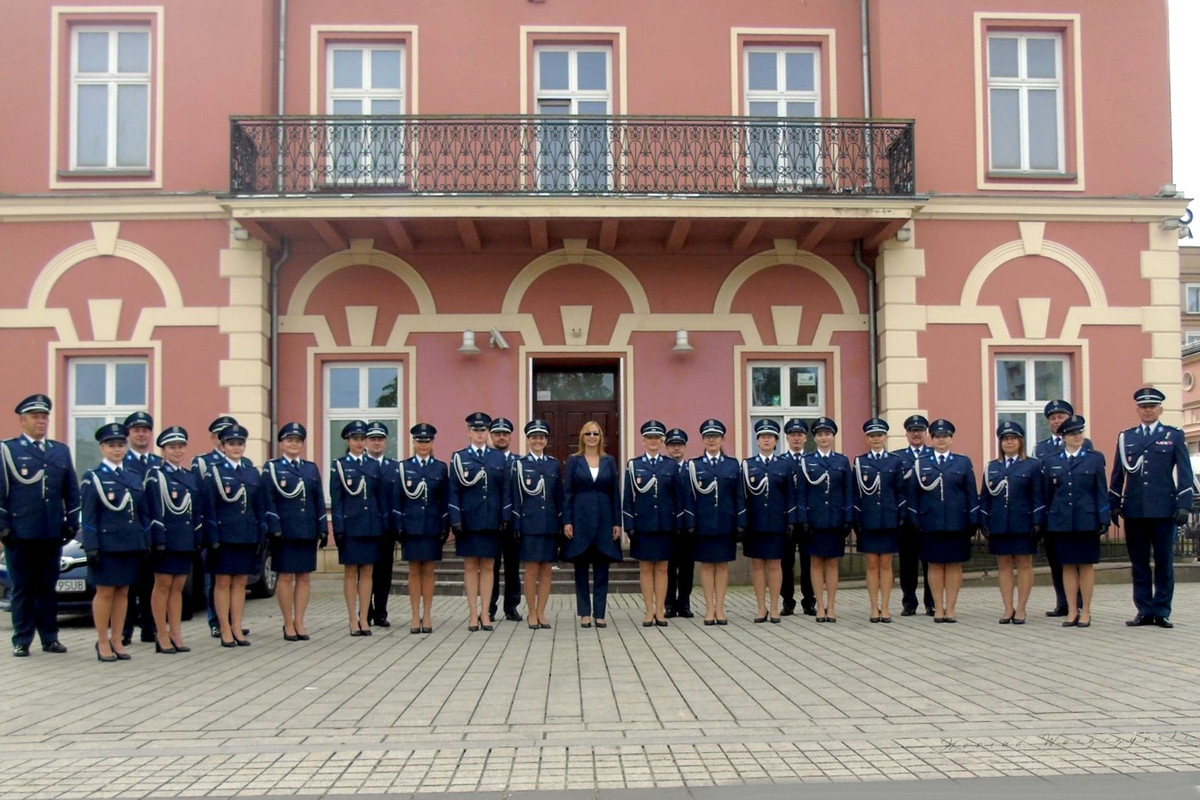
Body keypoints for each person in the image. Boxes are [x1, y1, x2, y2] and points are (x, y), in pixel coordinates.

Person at [0, 394, 78, 658]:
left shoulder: (59, 450)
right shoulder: (8, 450)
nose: (41, 421)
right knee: (22, 587)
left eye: (44, 417)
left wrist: (71, 521)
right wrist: (3, 526)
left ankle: (50, 637)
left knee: (47, 586)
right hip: (20, 533)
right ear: (22, 421)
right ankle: (22, 639)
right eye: (35, 417)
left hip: (50, 531)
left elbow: (71, 490)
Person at [1110, 387, 1194, 629]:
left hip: (1164, 509)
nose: (1147, 410)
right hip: (1135, 509)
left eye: (1152, 406)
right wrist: (1114, 503)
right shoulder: (1127, 437)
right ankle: (1144, 610)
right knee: (1139, 563)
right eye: (1143, 407)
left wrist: (1184, 505)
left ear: (1160, 409)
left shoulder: (1174, 435)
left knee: (1164, 562)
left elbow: (1185, 473)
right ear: (1137, 410)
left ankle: (1162, 611)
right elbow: (1118, 474)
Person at [80, 423, 149, 661]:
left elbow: (141, 513)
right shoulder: (94, 478)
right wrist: (91, 545)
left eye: (121, 445)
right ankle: (102, 641)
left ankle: (118, 639)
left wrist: (144, 540)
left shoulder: (132, 476)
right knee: (106, 593)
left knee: (123, 593)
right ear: (102, 448)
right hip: (106, 544)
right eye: (112, 445)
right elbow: (89, 516)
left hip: (129, 543)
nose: (117, 450)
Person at [910, 419, 979, 623]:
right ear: (931, 438)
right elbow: (913, 494)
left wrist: (973, 519)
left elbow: (971, 493)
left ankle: (951, 607)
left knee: (954, 566)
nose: (941, 440)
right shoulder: (921, 462)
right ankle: (938, 607)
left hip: (957, 522)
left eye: (945, 436)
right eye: (938, 436)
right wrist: (915, 518)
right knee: (935, 565)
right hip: (930, 522)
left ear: (951, 438)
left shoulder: (962, 462)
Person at [263, 422, 327, 642]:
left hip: (307, 530)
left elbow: (318, 499)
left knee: (304, 577)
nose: (294, 444)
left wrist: (322, 527)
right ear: (282, 443)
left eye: (298, 441)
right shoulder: (273, 468)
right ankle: (288, 622)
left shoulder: (310, 469)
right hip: (285, 531)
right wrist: (274, 528)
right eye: (290, 440)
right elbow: (269, 500)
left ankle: (300, 621)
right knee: (285, 577)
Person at [202, 424, 264, 647]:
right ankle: (224, 627)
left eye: (240, 444)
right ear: (223, 445)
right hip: (223, 537)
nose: (236, 448)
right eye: (231, 444)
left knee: (240, 583)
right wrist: (213, 537)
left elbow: (258, 506)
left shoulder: (250, 472)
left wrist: (260, 534)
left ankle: (237, 626)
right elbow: (209, 507)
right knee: (222, 582)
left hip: (246, 535)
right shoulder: (215, 472)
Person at [1044, 415, 1109, 628]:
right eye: (1073, 434)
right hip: (1062, 520)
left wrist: (1103, 517)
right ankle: (1072, 609)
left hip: (1086, 519)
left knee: (1086, 565)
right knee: (1068, 566)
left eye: (1080, 432)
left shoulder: (1094, 458)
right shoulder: (1052, 461)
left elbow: (1100, 491)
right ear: (1064, 437)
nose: (1078, 436)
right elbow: (1048, 494)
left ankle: (1086, 610)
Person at [449, 412, 510, 631]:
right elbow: (454, 491)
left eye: (483, 430)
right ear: (469, 432)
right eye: (476, 430)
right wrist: (455, 518)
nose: (480, 434)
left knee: (488, 567)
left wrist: (505, 515)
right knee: (470, 566)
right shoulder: (459, 457)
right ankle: (472, 614)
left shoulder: (498, 458)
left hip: (491, 520)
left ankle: (486, 613)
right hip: (468, 520)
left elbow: (505, 490)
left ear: (488, 433)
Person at [144, 425, 202, 653]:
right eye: (172, 447)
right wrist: (157, 539)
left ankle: (176, 632)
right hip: (165, 539)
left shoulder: (188, 476)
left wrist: (197, 537)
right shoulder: (156, 475)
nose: (177, 451)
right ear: (163, 450)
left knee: (178, 586)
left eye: (181, 447)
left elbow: (195, 510)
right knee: (163, 585)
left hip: (184, 538)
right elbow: (153, 509)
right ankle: (161, 633)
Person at [681, 419, 744, 626]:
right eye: (708, 437)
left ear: (722, 439)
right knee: (707, 567)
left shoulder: (732, 464)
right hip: (703, 523)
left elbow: (739, 496)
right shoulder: (694, 465)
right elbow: (688, 496)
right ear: (703, 440)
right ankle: (709, 609)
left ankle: (720, 608)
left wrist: (740, 521)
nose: (712, 440)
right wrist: (690, 521)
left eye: (715, 436)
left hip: (726, 522)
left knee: (722, 566)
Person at [980, 420, 1043, 625]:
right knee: (1004, 565)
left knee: (1025, 564)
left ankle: (1022, 608)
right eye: (1005, 439)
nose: (1009, 443)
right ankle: (1008, 608)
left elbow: (1038, 496)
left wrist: (1037, 521)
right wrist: (984, 520)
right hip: (999, 522)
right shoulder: (992, 467)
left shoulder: (1032, 465)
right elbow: (985, 498)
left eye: (1013, 439)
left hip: (1023, 522)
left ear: (1020, 441)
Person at [191, 415, 248, 638]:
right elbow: (200, 498)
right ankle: (216, 621)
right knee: (215, 580)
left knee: (235, 580)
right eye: (221, 435)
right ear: (216, 438)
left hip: (239, 532)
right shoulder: (203, 463)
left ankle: (234, 622)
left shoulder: (244, 464)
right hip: (214, 529)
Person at [563, 420, 622, 628]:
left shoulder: (609, 461)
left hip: (605, 519)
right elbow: (568, 492)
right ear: (582, 437)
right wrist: (567, 520)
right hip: (580, 519)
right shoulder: (574, 460)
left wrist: (617, 522)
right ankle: (584, 613)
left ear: (601, 437)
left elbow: (615, 492)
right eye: (588, 433)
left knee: (602, 569)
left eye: (595, 433)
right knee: (580, 568)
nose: (592, 437)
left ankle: (600, 613)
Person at [1034, 399, 1090, 617]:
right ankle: (1063, 602)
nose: (1057, 421)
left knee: (1078, 560)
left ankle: (1080, 603)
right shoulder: (1041, 448)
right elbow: (1039, 483)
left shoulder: (1084, 444)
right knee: (1056, 560)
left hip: (1078, 513)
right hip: (1052, 513)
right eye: (1053, 418)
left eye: (1061, 417)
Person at [623, 420, 681, 627]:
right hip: (643, 525)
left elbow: (679, 497)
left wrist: (679, 524)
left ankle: (660, 610)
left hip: (665, 524)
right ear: (643, 441)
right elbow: (628, 498)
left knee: (663, 568)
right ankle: (648, 611)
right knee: (646, 568)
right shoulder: (634, 465)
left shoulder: (671, 465)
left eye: (657, 438)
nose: (653, 441)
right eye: (650, 438)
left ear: (662, 441)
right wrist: (629, 524)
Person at [394, 423, 449, 634]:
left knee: (429, 571)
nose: (423, 445)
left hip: (432, 526)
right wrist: (399, 526)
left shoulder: (440, 468)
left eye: (427, 441)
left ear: (432, 443)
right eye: (419, 441)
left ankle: (427, 615)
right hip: (411, 526)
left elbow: (444, 500)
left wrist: (445, 525)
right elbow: (397, 500)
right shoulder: (403, 467)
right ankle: (415, 616)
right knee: (414, 571)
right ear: (414, 443)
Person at [330, 420, 384, 637]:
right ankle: (352, 618)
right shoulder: (340, 466)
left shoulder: (373, 465)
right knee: (351, 572)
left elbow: (378, 498)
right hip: (351, 526)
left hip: (371, 525)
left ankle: (364, 617)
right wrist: (339, 528)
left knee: (368, 571)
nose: (360, 443)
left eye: (363, 439)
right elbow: (337, 499)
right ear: (348, 441)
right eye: (355, 439)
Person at [796, 417, 852, 623]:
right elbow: (800, 493)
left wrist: (848, 518)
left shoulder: (842, 461)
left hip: (835, 519)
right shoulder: (806, 461)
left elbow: (848, 492)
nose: (824, 437)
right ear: (815, 438)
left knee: (832, 564)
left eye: (827, 434)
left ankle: (832, 605)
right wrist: (804, 518)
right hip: (815, 520)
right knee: (816, 563)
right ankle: (819, 605)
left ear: (833, 436)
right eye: (820, 434)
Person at [851, 417, 906, 623]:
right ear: (867, 438)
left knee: (887, 564)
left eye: (879, 435)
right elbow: (855, 493)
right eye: (872, 436)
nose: (876, 439)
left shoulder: (895, 461)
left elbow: (901, 491)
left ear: (885, 437)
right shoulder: (860, 462)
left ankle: (886, 607)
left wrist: (901, 515)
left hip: (889, 519)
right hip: (869, 519)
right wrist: (856, 517)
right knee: (872, 564)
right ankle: (874, 607)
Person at [510, 420, 562, 630]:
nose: (538, 440)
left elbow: (559, 495)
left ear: (546, 440)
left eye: (541, 437)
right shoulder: (520, 465)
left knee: (547, 570)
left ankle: (542, 612)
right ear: (528, 440)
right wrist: (516, 523)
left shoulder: (554, 464)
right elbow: (515, 496)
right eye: (534, 437)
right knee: (531, 570)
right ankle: (531, 612)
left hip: (549, 523)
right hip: (529, 524)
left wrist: (561, 521)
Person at [741, 419, 794, 624]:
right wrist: (743, 522)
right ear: (758, 441)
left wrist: (791, 520)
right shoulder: (748, 465)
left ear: (775, 441)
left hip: (776, 522)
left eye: (770, 437)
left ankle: (774, 608)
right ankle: (761, 607)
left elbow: (791, 495)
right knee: (757, 565)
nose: (766, 440)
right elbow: (743, 496)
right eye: (762, 437)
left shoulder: (784, 465)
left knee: (774, 564)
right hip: (755, 523)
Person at [120, 411, 163, 646]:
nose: (141, 434)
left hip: (152, 534)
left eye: (145, 430)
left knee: (150, 584)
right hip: (128, 532)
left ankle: (150, 628)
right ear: (129, 434)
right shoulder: (121, 462)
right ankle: (124, 630)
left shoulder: (158, 463)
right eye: (137, 430)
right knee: (127, 584)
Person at [892, 415, 934, 616]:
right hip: (906, 518)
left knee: (930, 561)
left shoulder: (935, 455)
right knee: (907, 563)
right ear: (906, 433)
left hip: (928, 517)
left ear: (926, 433)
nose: (916, 434)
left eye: (920, 430)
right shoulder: (898, 458)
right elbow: (895, 488)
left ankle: (931, 602)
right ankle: (909, 601)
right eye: (912, 430)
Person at [779, 419, 817, 617]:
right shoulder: (781, 462)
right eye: (792, 435)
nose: (796, 438)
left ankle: (809, 601)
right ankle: (787, 601)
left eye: (800, 435)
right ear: (787, 438)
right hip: (786, 520)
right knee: (786, 563)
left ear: (805, 438)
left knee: (808, 561)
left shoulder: (811, 461)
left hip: (808, 519)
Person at [488, 417, 523, 622]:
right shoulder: (486, 461)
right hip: (492, 522)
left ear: (510, 436)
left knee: (513, 566)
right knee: (490, 566)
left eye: (505, 434)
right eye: (497, 434)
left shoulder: (519, 462)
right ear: (492, 436)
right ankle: (489, 606)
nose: (501, 437)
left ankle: (511, 606)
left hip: (514, 523)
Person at [365, 421, 398, 628]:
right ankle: (365, 611)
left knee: (384, 572)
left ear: (385, 442)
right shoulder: (361, 466)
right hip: (366, 528)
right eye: (373, 439)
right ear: (367, 442)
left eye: (380, 439)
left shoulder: (394, 467)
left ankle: (381, 612)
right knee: (365, 571)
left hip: (387, 528)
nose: (376, 443)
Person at [663, 427, 695, 618]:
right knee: (668, 566)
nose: (676, 449)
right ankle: (669, 603)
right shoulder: (663, 469)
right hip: (668, 525)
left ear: (685, 447)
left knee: (687, 567)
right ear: (666, 447)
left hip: (688, 526)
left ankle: (684, 603)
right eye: (672, 445)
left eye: (680, 445)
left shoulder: (692, 468)